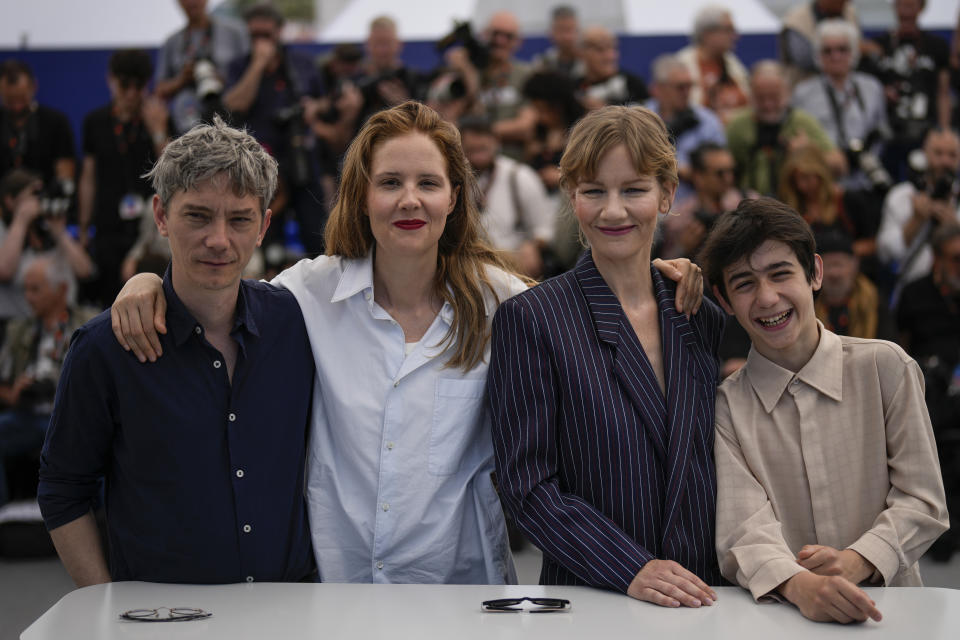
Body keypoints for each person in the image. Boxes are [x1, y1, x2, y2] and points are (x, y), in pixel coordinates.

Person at [110, 101, 702, 584]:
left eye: (428, 183)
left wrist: (655, 271)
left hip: (462, 595)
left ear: (454, 198)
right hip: (335, 595)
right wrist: (144, 282)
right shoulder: (310, 294)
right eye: (390, 182)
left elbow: (589, 295)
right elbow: (218, 290)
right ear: (362, 197)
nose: (410, 199)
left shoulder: (506, 302)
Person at [38, 117, 316, 586]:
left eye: (240, 218)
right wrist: (104, 603)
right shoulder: (105, 349)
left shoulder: (298, 323)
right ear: (162, 216)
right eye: (198, 215)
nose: (219, 240)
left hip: (290, 612)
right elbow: (63, 488)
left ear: (264, 225)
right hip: (160, 621)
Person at [489, 105, 721, 607]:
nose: (613, 211)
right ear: (572, 197)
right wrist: (629, 567)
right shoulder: (532, 319)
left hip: (707, 599)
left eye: (634, 190)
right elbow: (526, 485)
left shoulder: (697, 310)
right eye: (594, 191)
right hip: (593, 599)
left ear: (667, 194)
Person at [701, 197, 948, 624]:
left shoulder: (886, 367)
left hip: (893, 616)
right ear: (723, 300)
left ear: (814, 272)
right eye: (744, 284)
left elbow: (922, 500)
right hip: (783, 617)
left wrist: (859, 559)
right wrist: (800, 586)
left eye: (781, 274)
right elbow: (743, 529)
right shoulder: (727, 406)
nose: (767, 298)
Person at [222, 3, 328, 255]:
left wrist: (314, 107)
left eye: (266, 35)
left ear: (280, 32)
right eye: (254, 36)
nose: (260, 41)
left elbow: (324, 100)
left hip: (300, 156)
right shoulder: (239, 65)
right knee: (267, 242)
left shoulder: (301, 64)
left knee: (318, 236)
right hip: (258, 164)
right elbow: (234, 105)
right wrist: (258, 64)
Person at [0, 256, 96, 508]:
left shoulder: (90, 324)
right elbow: (3, 383)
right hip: (30, 416)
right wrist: (13, 393)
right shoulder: (18, 330)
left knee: (109, 444)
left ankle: (103, 526)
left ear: (61, 289)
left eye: (36, 289)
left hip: (75, 417)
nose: (28, 297)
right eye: (26, 289)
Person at [78, 49, 170, 307]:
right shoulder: (95, 122)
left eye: (139, 85)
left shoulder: (158, 118)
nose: (131, 93)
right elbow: (88, 177)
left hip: (147, 231)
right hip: (108, 225)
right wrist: (84, 227)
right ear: (111, 80)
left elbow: (173, 173)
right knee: (109, 302)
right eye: (125, 84)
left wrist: (159, 131)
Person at [791, 20, 889, 192]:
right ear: (818, 56)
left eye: (842, 49)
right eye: (827, 51)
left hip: (865, 180)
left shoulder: (872, 87)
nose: (835, 56)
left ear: (854, 52)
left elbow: (881, 132)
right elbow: (800, 141)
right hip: (820, 183)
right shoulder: (803, 93)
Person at [459, 115, 554, 279]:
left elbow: (545, 228)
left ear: (496, 142)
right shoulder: (453, 181)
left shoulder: (520, 176)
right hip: (469, 267)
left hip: (514, 268)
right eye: (471, 151)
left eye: (482, 148)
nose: (477, 156)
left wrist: (533, 246)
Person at [726, 60, 840, 196]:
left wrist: (808, 152)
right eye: (760, 98)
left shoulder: (802, 122)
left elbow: (839, 166)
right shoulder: (738, 125)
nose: (768, 105)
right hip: (750, 203)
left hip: (795, 204)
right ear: (750, 94)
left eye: (774, 97)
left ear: (788, 93)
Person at [0, 170, 94, 334]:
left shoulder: (53, 235)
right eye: (33, 194)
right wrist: (22, 218)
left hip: (66, 326)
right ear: (10, 201)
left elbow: (85, 270)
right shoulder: (6, 233)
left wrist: (59, 231)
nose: (39, 199)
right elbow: (4, 270)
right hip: (22, 332)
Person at [868, 0, 951, 182]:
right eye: (901, 5)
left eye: (911, 5)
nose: (906, 11)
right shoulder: (878, 44)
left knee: (924, 180)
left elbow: (943, 92)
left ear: (921, 8)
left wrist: (944, 129)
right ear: (894, 8)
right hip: (887, 133)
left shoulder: (937, 45)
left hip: (924, 130)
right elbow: (868, 89)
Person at [877, 128, 960, 289]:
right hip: (912, 290)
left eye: (952, 155)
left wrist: (954, 228)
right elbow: (884, 254)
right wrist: (916, 221)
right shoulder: (902, 196)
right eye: (938, 153)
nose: (945, 162)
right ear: (924, 155)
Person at [154, 0, 249, 134]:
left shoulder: (235, 32)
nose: (192, 2)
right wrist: (182, 80)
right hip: (188, 124)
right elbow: (159, 89)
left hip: (232, 116)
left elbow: (251, 75)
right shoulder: (172, 42)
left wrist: (224, 80)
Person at [646, 54, 726, 186]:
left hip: (696, 198)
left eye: (689, 86)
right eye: (680, 87)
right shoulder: (638, 118)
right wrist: (676, 169)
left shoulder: (707, 120)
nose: (686, 92)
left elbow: (720, 169)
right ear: (658, 89)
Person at [0, 60, 76, 191]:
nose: (17, 106)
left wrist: (42, 199)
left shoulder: (55, 122)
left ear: (33, 87)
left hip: (44, 200)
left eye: (22, 98)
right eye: (10, 100)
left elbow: (65, 176)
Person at [675, 5, 750, 124]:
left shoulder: (734, 64)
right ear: (707, 33)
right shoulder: (683, 65)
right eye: (728, 30)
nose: (735, 36)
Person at [780, 0, 859, 84]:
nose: (846, 3)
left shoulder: (849, 12)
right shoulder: (795, 20)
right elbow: (804, 59)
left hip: (847, 87)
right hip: (805, 86)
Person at [576, 26, 648, 111]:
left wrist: (606, 110)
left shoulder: (632, 84)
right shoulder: (576, 89)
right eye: (600, 49)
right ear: (582, 52)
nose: (610, 56)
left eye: (613, 48)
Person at [532, 5, 583, 79]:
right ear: (551, 33)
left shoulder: (589, 63)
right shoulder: (542, 64)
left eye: (570, 30)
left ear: (578, 31)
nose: (566, 37)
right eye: (561, 30)